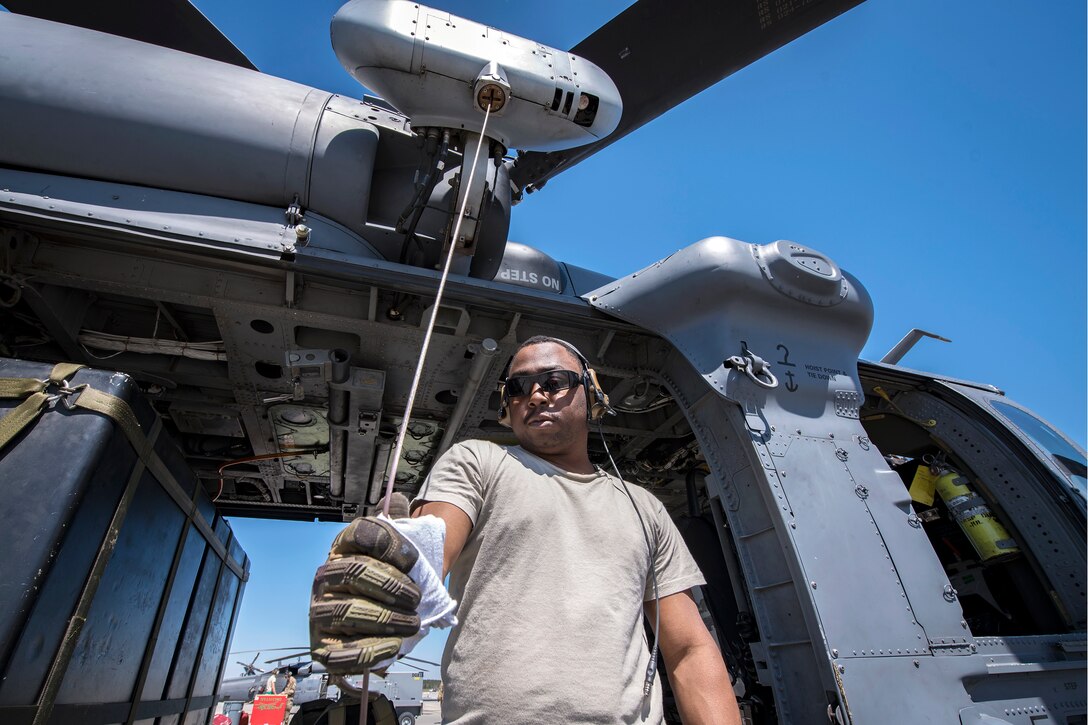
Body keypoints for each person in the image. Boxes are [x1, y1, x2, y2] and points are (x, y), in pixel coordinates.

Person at [311, 336, 741, 724]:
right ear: (506, 407)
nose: (535, 394)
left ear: (591, 396)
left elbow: (689, 649)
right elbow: (429, 548)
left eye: (554, 380)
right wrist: (389, 574)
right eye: (518, 387)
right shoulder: (478, 462)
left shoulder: (644, 507)